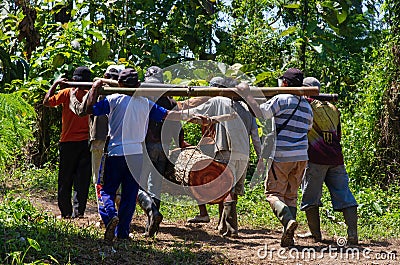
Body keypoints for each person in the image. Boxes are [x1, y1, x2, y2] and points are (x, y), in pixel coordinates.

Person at [170, 76, 262, 238]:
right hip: (244, 154)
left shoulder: (218, 101)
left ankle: (231, 229)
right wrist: (260, 157)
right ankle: (223, 224)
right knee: (232, 190)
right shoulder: (246, 108)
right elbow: (255, 135)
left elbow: (192, 114)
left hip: (226, 151)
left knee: (225, 187)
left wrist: (169, 115)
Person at [86, 68, 170, 242]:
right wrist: (195, 117)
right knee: (130, 196)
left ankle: (110, 217)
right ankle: (122, 234)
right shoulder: (145, 103)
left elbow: (89, 109)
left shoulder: (113, 99)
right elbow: (169, 115)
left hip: (116, 153)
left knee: (107, 190)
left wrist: (95, 87)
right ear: (138, 85)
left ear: (119, 84)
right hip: (136, 156)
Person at [237, 68, 314, 247]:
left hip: (282, 155)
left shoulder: (281, 99)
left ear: (285, 83)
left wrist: (247, 95)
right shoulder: (306, 106)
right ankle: (289, 236)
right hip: (302, 156)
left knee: (272, 194)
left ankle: (287, 220)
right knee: (291, 195)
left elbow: (260, 113)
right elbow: (308, 128)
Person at [299, 77, 358, 244]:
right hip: (336, 158)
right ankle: (352, 234)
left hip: (316, 158)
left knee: (310, 197)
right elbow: (338, 135)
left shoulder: (306, 106)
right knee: (345, 195)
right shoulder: (333, 107)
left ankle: (316, 235)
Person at [69, 65, 125, 222]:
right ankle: (119, 214)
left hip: (99, 140)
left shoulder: (98, 90)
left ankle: (106, 217)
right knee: (118, 180)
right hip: (120, 142)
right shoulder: (126, 92)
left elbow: (81, 110)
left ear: (105, 75)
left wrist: (73, 96)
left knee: (99, 180)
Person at [42, 66, 92, 219]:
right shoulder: (91, 95)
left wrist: (55, 84)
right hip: (85, 143)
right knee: (82, 180)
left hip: (68, 142)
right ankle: (79, 212)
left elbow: (46, 102)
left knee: (65, 178)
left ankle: (66, 212)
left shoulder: (66, 93)